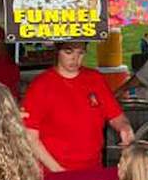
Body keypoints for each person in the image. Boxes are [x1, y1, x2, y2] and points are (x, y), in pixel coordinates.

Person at [23, 42, 135, 172]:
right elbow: (30, 136)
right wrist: (58, 171)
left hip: (92, 168)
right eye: (68, 52)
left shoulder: (95, 79)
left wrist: (124, 127)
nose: (75, 59)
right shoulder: (41, 85)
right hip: (53, 170)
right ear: (57, 52)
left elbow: (116, 115)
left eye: (80, 53)